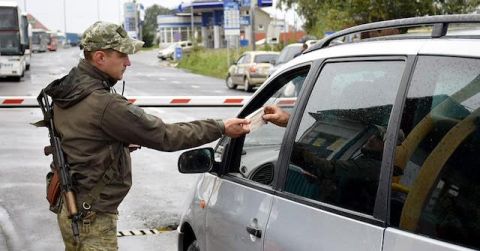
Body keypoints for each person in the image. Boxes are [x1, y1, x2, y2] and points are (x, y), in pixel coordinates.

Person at [44, 21, 250, 251]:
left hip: (70, 204)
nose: (128, 62)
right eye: (122, 55)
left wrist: (114, 145)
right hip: (92, 215)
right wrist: (221, 126)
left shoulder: (69, 89)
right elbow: (167, 136)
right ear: (100, 57)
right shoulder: (105, 104)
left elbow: (81, 138)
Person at [262, 105, 404, 214]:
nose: (372, 138)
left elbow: (329, 169)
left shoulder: (372, 167)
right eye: (374, 133)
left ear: (389, 148)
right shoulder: (369, 161)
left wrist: (293, 143)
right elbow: (344, 179)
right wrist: (322, 180)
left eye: (379, 137)